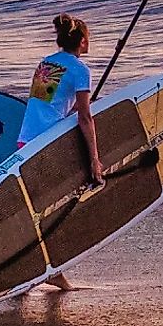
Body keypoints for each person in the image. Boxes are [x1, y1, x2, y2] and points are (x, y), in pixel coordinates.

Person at [20, 14, 104, 293]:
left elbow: (48, 105)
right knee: (55, 210)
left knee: (37, 211)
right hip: (47, 146)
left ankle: (30, 270)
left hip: (25, 141)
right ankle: (50, 271)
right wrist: (95, 159)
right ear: (82, 41)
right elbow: (85, 119)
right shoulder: (80, 70)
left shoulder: (46, 63)